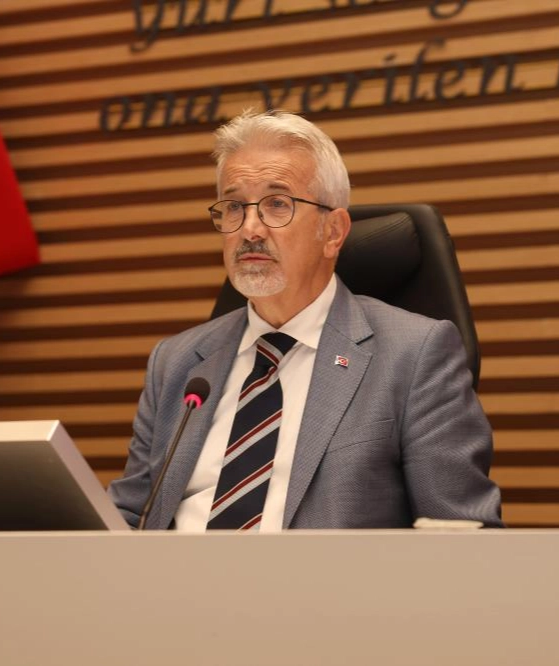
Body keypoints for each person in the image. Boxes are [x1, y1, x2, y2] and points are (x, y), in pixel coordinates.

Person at [109, 110, 502, 530]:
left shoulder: (414, 355)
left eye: (277, 204)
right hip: (173, 573)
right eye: (234, 207)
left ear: (333, 232)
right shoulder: (178, 363)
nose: (250, 229)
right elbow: (131, 518)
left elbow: (458, 535)